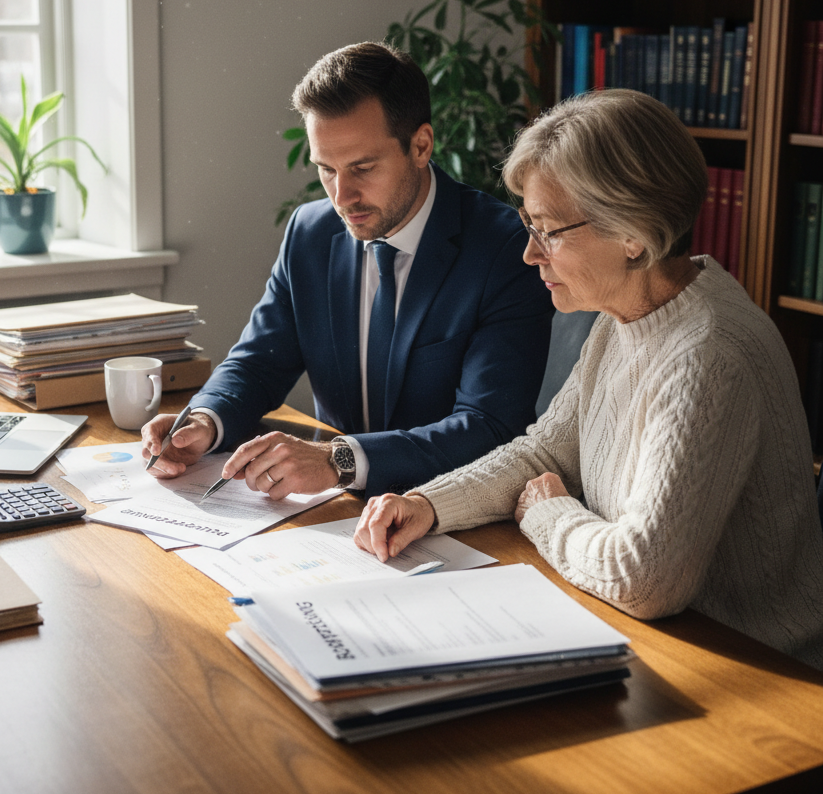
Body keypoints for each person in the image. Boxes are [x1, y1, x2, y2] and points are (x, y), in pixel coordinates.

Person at [354, 88, 823, 668]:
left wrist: (549, 514)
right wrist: (428, 504)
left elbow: (643, 579)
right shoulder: (626, 315)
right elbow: (544, 453)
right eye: (528, 224)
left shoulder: (709, 355)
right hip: (654, 640)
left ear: (633, 233)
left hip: (754, 670)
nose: (529, 254)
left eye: (548, 230)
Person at [141, 41, 554, 499]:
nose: (342, 196)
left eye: (362, 167)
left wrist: (338, 460)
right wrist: (204, 422)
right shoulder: (310, 232)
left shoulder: (505, 248)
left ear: (421, 145)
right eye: (326, 170)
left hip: (447, 511)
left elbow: (490, 426)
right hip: (332, 512)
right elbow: (259, 362)